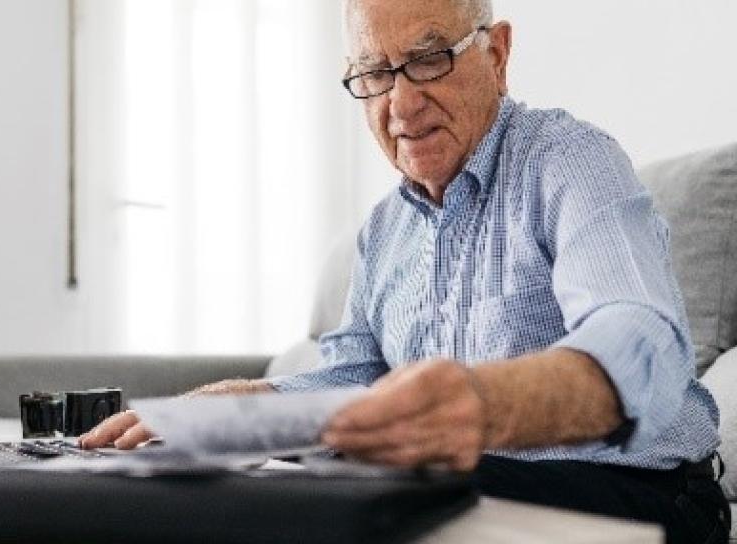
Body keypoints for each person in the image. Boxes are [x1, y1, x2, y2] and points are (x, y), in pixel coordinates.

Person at [80, 0, 730, 541]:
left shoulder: (570, 162)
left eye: (427, 60)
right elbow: (350, 376)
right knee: (264, 491)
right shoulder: (383, 231)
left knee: (372, 499)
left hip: (648, 494)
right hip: (481, 479)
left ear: (496, 55)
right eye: (374, 73)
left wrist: (486, 405)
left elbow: (641, 339)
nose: (401, 103)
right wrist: (240, 408)